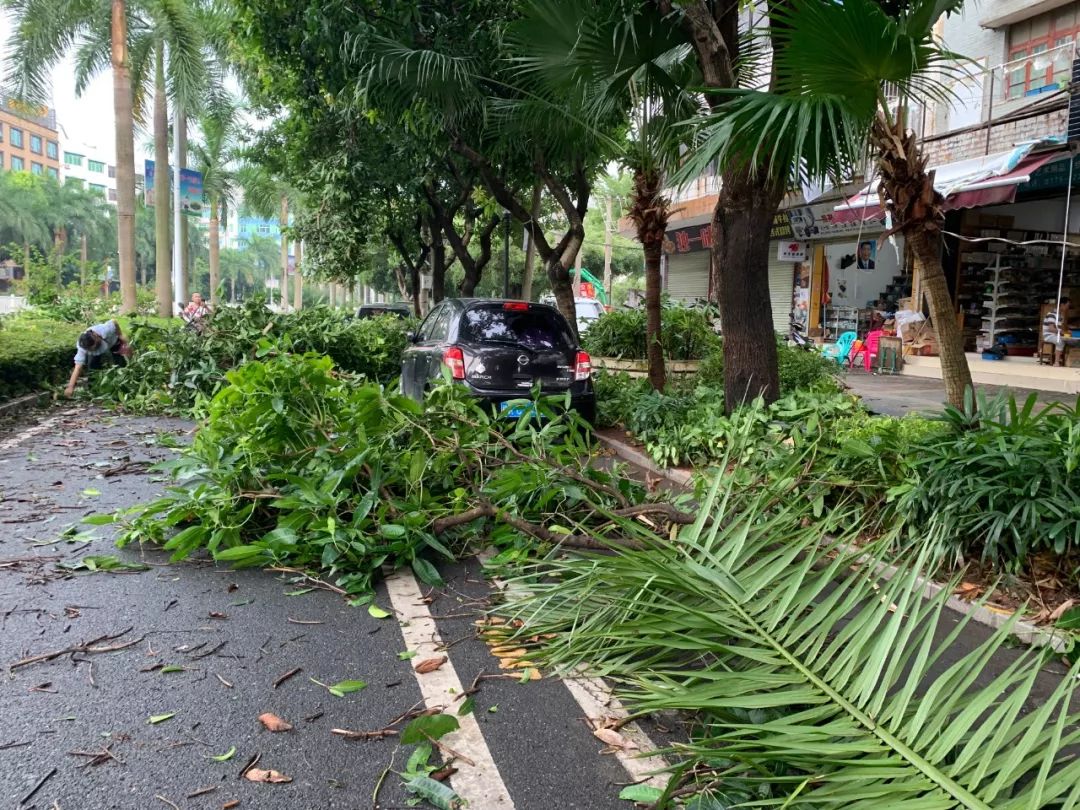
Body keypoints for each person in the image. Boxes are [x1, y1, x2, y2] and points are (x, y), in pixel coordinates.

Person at [64, 319, 130, 397]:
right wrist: (70, 387)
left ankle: (122, 387)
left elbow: (114, 321)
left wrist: (120, 335)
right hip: (94, 353)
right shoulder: (83, 348)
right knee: (92, 366)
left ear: (96, 336)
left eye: (95, 347)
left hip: (113, 342)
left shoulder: (105, 330)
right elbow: (78, 368)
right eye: (92, 349)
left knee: (121, 365)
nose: (95, 349)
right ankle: (93, 390)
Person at [1043, 300, 1070, 366]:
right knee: (1060, 341)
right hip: (1048, 335)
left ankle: (1061, 359)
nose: (1068, 308)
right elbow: (1051, 329)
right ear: (1062, 305)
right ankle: (1056, 362)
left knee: (1068, 339)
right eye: (1067, 306)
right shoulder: (1052, 314)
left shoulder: (1060, 316)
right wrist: (1062, 332)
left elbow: (1059, 328)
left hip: (1056, 334)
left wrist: (1066, 332)